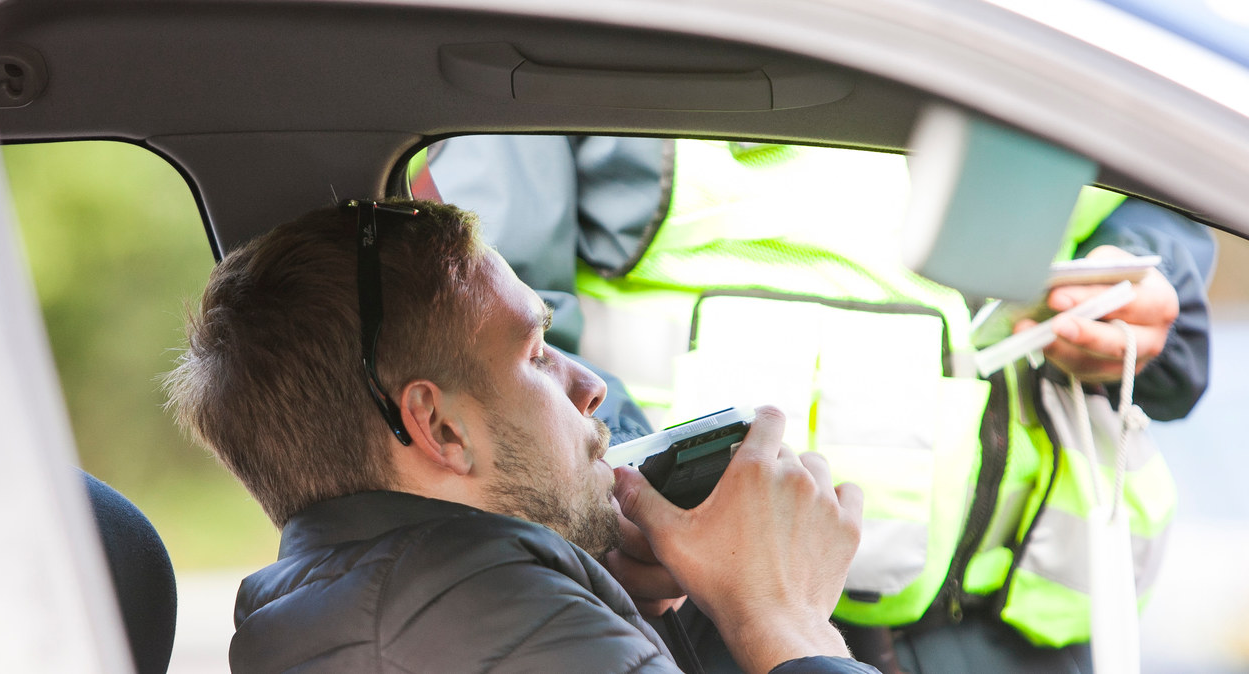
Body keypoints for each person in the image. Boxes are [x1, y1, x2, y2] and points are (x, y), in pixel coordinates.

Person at [422, 136, 1215, 673]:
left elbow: (1162, 185)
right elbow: (492, 324)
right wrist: (634, 509)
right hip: (703, 624)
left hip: (1013, 635)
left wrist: (1148, 280)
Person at [164, 198, 878, 674]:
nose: (590, 386)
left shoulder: (367, 602)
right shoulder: (483, 610)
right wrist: (783, 618)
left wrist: (623, 599)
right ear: (440, 426)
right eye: (536, 355)